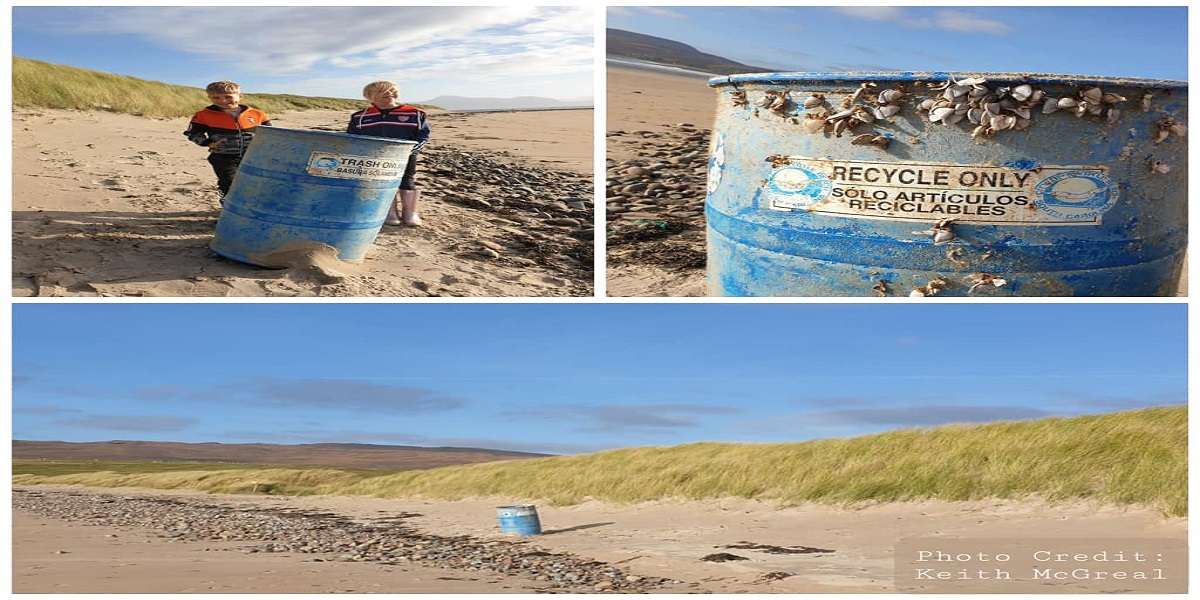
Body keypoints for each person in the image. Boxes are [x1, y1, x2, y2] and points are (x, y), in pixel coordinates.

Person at [347, 81, 431, 226]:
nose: (389, 94)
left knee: (406, 180)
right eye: (382, 91)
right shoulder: (359, 117)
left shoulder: (415, 114)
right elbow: (352, 138)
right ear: (369, 97)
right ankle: (390, 212)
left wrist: (412, 150)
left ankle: (410, 213)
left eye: (392, 90)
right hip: (374, 157)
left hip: (405, 155)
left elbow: (423, 135)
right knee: (381, 182)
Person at [183, 81, 272, 201]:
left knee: (252, 181)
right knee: (229, 182)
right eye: (216, 97)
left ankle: (248, 205)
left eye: (228, 97)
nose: (223, 100)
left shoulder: (258, 114)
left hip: (253, 156)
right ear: (209, 98)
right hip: (223, 157)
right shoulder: (203, 115)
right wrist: (207, 142)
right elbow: (192, 133)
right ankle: (227, 203)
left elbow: (270, 134)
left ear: (240, 96)